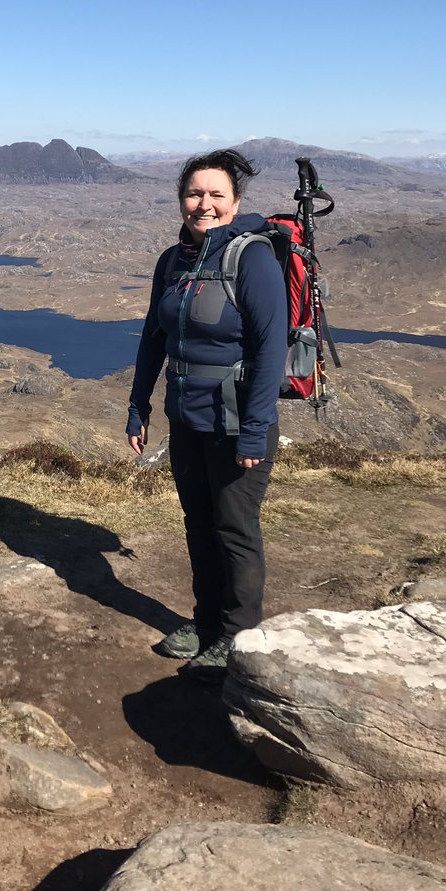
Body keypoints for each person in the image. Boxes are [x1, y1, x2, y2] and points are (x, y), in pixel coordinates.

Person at [126, 149, 287, 682]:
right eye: (195, 193)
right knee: (198, 524)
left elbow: (269, 351)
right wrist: (138, 405)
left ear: (236, 201)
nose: (205, 204)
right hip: (187, 419)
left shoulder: (253, 258)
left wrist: (255, 431)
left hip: (239, 423)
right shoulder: (172, 261)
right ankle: (204, 622)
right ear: (181, 200)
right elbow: (154, 336)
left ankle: (238, 635)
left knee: (234, 527)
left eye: (217, 194)